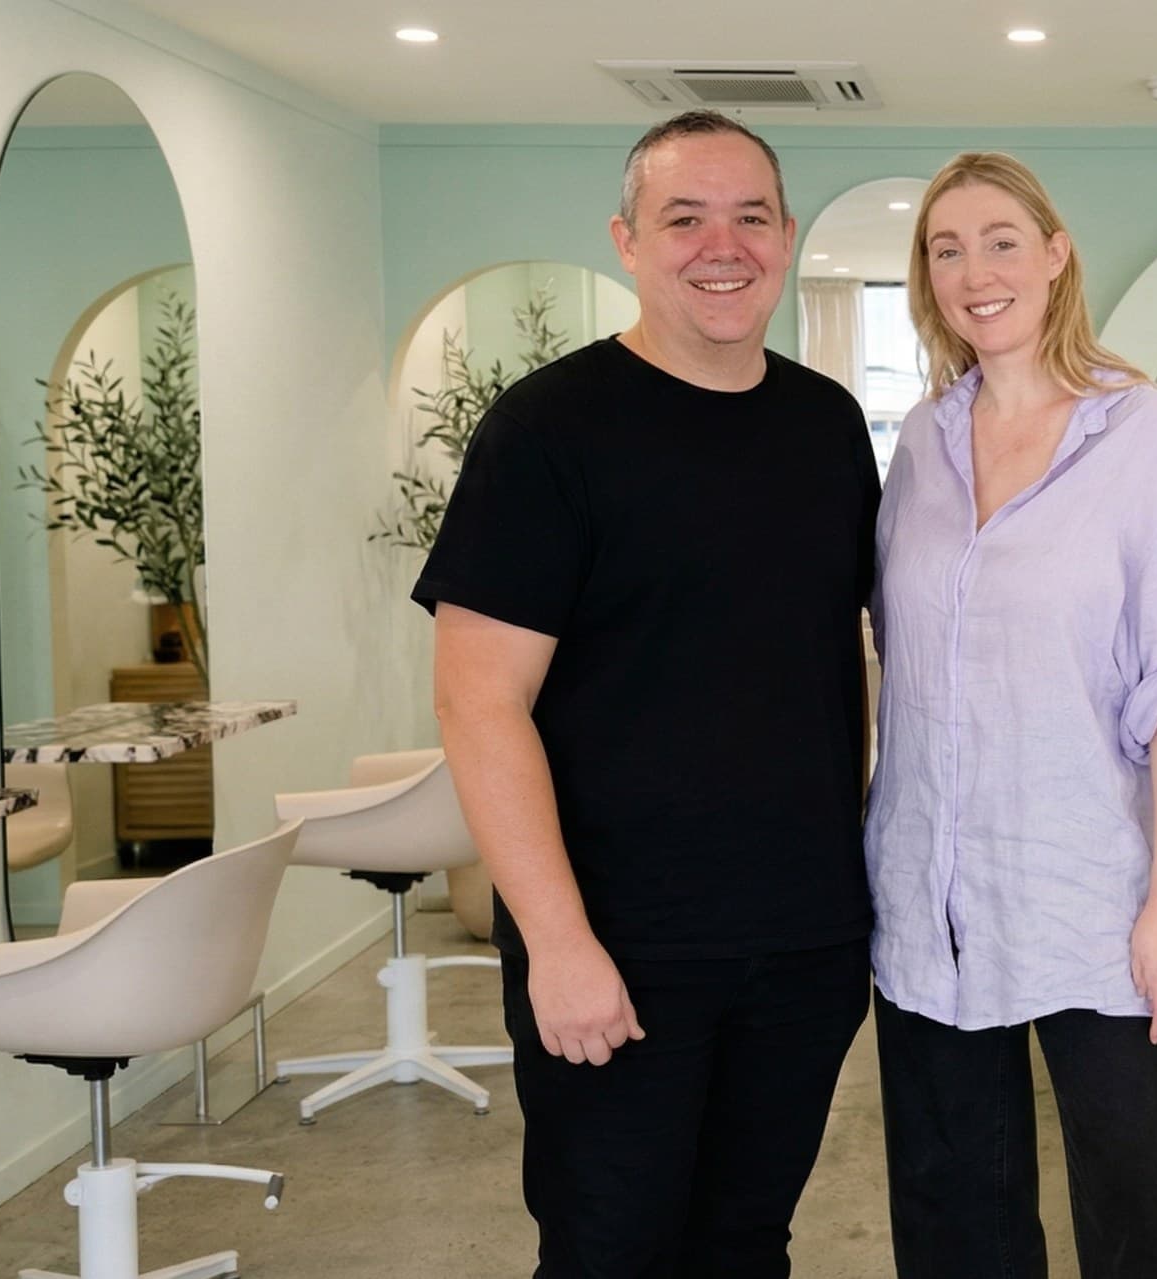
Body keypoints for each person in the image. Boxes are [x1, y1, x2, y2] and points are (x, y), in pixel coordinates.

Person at [413, 110, 879, 1278]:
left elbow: (848, 656)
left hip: (806, 938)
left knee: (747, 1241)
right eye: (685, 217)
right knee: (610, 1246)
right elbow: (479, 705)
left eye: (751, 216)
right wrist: (558, 942)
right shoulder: (547, 430)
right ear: (628, 239)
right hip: (619, 944)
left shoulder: (826, 426)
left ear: (785, 239)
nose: (721, 245)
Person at [866, 151, 1157, 1279]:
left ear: (1057, 255)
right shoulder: (921, 441)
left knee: (1142, 1218)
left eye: (1002, 240)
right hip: (931, 904)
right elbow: (892, 652)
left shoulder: (1140, 433)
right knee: (953, 1217)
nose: (976, 270)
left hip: (1092, 897)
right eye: (947, 248)